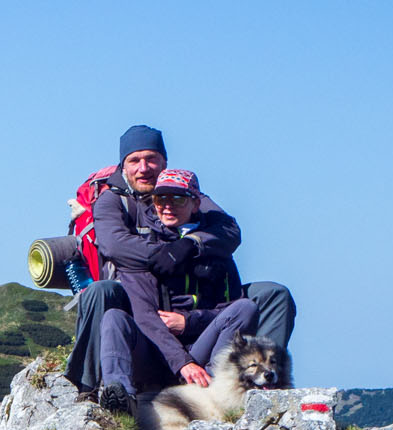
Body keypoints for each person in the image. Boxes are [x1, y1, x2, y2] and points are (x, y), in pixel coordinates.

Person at [63, 124, 294, 398]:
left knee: (273, 295)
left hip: (194, 304)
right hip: (134, 296)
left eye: (151, 159)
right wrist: (162, 253)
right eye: (134, 160)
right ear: (123, 166)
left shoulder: (185, 190)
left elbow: (228, 231)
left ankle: (265, 383)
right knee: (103, 295)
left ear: (164, 162)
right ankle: (93, 385)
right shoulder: (111, 201)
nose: (143, 167)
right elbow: (115, 245)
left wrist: (189, 245)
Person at [95, 169, 257, 409]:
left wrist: (189, 321)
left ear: (195, 204)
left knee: (246, 307)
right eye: (161, 199)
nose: (168, 206)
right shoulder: (143, 251)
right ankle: (121, 399)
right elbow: (144, 315)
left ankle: (212, 387)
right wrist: (182, 362)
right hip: (155, 351)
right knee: (114, 318)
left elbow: (229, 309)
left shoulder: (213, 249)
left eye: (178, 198)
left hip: (201, 347)